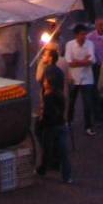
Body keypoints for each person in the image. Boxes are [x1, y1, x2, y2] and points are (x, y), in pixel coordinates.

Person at [35, 47, 73, 182]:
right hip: (60, 120)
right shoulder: (60, 74)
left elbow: (39, 79)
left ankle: (44, 167)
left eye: (45, 55)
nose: (43, 57)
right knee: (63, 149)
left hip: (51, 123)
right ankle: (67, 175)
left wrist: (42, 119)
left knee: (45, 143)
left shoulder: (48, 93)